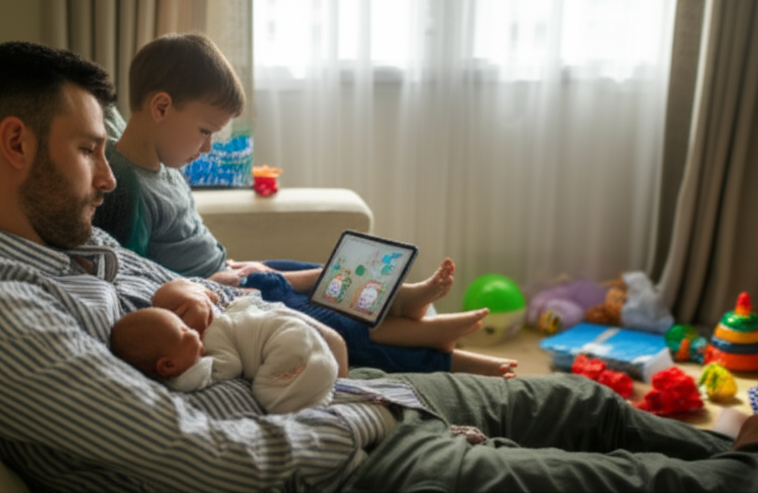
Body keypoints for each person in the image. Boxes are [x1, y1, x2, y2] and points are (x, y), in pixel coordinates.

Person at [0, 40, 758, 492]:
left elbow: (195, 285)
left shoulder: (70, 243)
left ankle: (737, 443)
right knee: (607, 480)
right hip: (332, 466)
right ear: (12, 144)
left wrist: (281, 302)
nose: (108, 176)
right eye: (86, 150)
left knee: (574, 400)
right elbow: (206, 465)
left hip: (339, 401)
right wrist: (368, 424)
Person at [93, 32, 517, 377]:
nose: (206, 148)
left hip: (233, 271)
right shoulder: (125, 185)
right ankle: (449, 356)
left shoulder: (164, 168)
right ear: (162, 107)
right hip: (221, 296)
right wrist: (218, 281)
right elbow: (137, 276)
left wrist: (239, 265)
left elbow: (186, 241)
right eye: (205, 131)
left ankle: (402, 300)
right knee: (331, 318)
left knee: (316, 271)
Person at [110, 279, 344, 414]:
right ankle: (321, 397)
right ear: (168, 364)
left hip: (290, 339)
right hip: (301, 342)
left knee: (270, 397)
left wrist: (187, 376)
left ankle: (317, 401)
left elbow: (231, 364)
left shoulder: (212, 335)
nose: (194, 332)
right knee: (290, 390)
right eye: (184, 333)